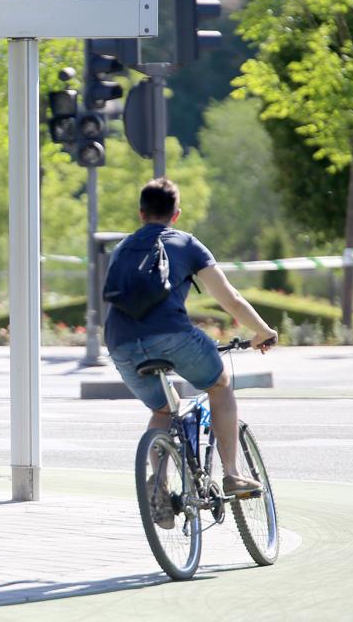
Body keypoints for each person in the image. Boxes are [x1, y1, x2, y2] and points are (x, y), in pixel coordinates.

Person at [105, 177, 277, 498]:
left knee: (162, 410)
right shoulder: (186, 243)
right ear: (176, 214)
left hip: (119, 342)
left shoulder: (121, 249)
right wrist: (262, 332)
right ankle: (233, 474)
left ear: (141, 214)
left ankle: (159, 482)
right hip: (171, 334)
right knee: (219, 382)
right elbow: (231, 299)